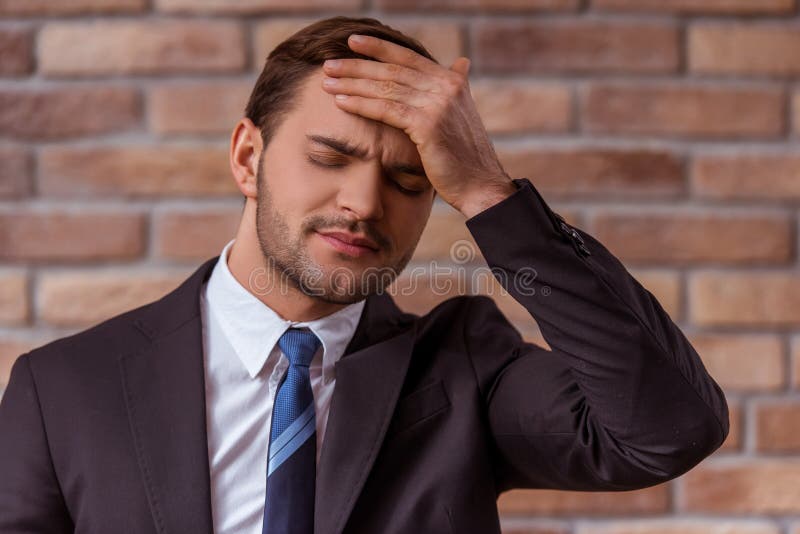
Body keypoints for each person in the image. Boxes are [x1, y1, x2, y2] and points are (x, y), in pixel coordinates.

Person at [0, 15, 728, 534]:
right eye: (329, 157)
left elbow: (669, 429)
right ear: (247, 158)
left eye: (411, 182)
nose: (364, 203)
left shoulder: (463, 370)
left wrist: (486, 193)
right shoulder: (61, 388)